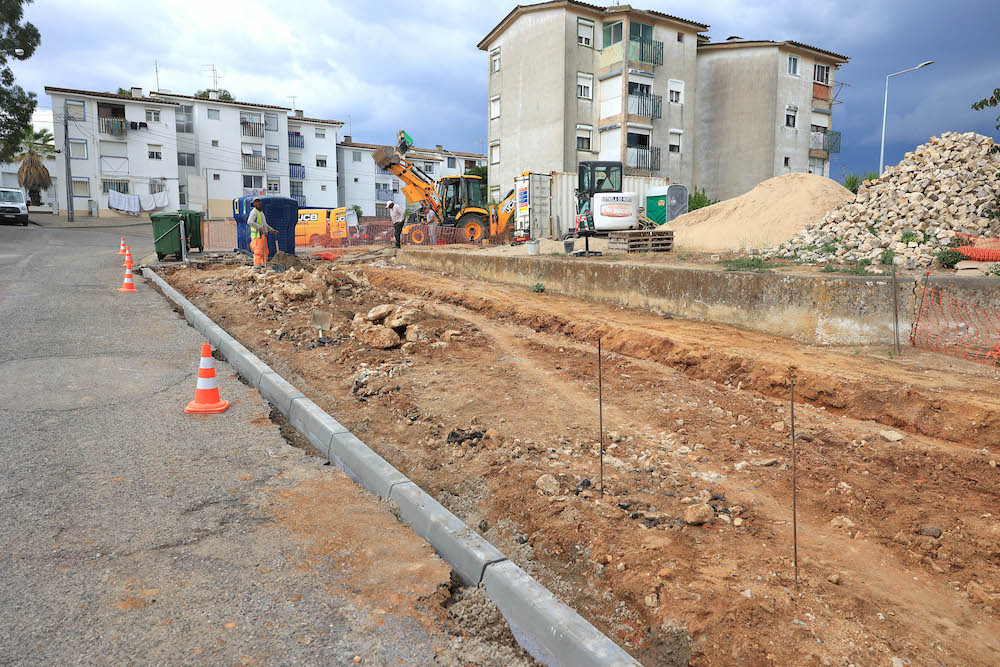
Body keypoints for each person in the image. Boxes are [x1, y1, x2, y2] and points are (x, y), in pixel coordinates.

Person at [247, 197, 274, 268]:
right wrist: (259, 227)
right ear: (254, 204)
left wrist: (272, 230)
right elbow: (250, 222)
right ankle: (257, 267)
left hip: (262, 235)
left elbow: (264, 224)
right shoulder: (254, 212)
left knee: (265, 252)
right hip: (257, 236)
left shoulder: (260, 212)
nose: (258, 203)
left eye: (258, 202)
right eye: (256, 202)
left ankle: (263, 266)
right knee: (258, 252)